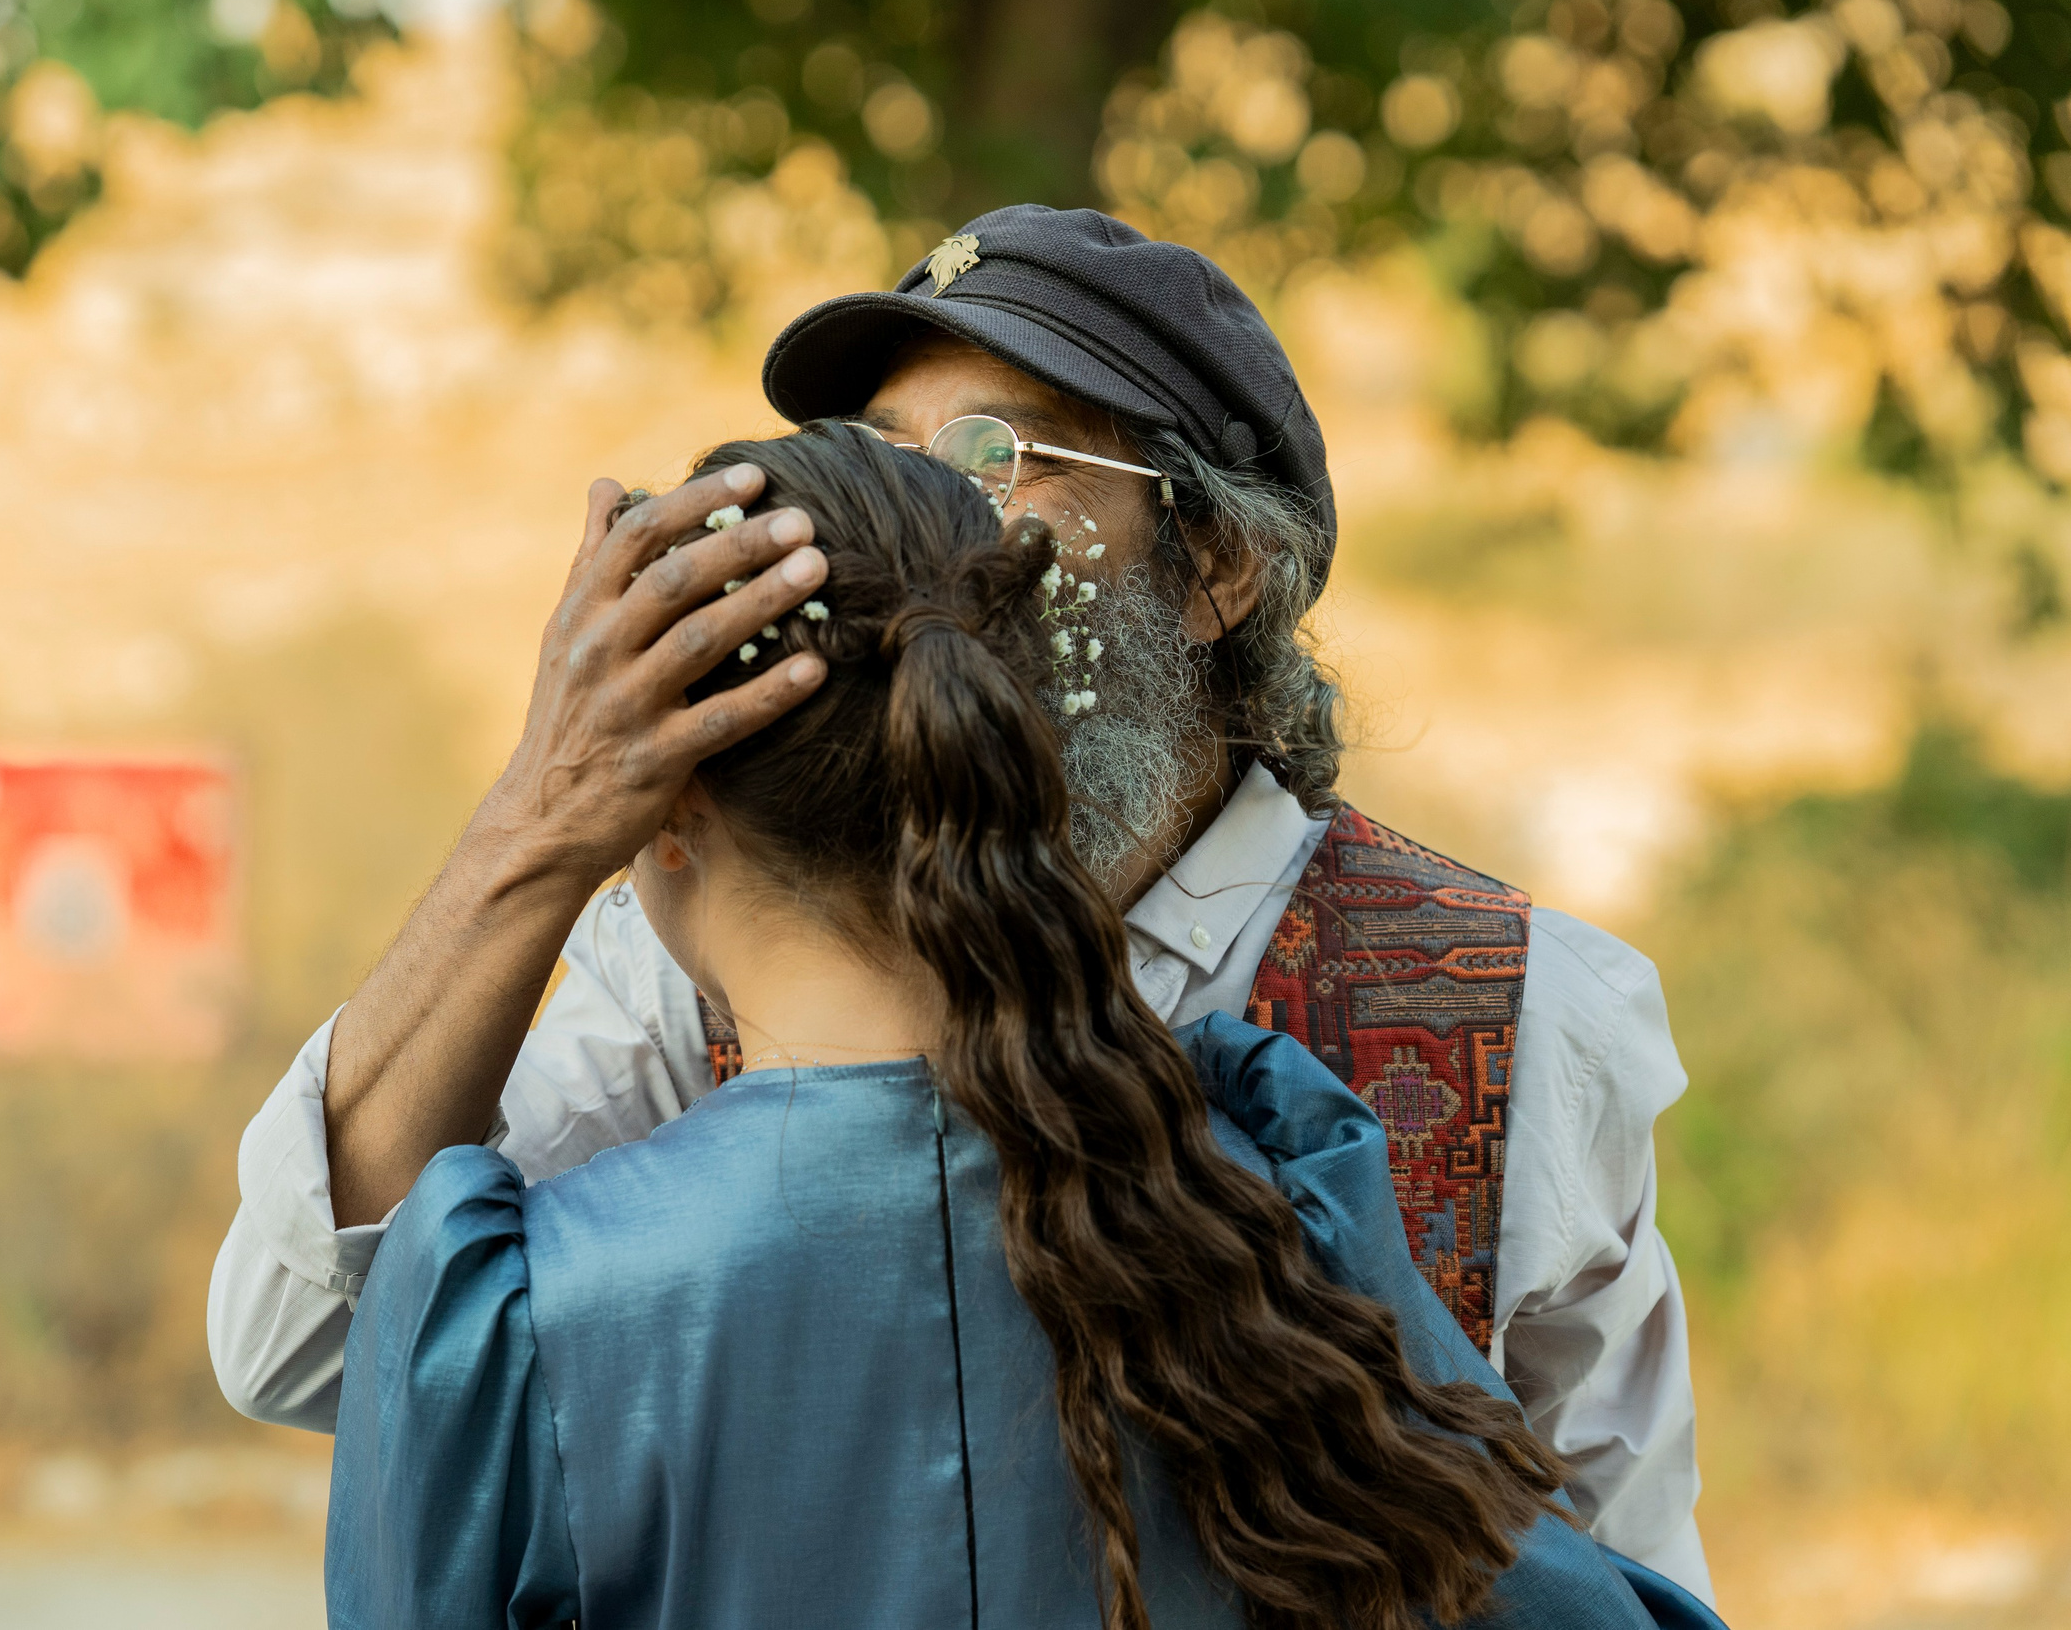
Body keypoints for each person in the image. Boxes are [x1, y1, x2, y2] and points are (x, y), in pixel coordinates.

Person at [211, 206, 1714, 1604]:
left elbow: (1615, 1557)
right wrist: (537, 829)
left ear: (1220, 564)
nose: (942, 509)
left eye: (1002, 452)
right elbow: (308, 1345)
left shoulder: (1517, 1009)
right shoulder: (688, 965)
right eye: (889, 456)